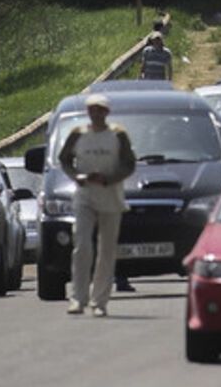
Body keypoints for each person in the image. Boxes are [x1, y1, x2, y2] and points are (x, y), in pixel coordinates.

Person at [58, 93, 137, 317]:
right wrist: (77, 176)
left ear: (107, 112)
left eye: (100, 110)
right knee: (82, 246)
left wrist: (109, 178)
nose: (96, 114)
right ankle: (78, 298)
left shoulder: (118, 134)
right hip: (84, 195)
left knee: (107, 250)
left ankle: (100, 301)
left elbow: (129, 164)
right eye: (92, 110)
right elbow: (64, 159)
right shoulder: (78, 134)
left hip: (110, 194)